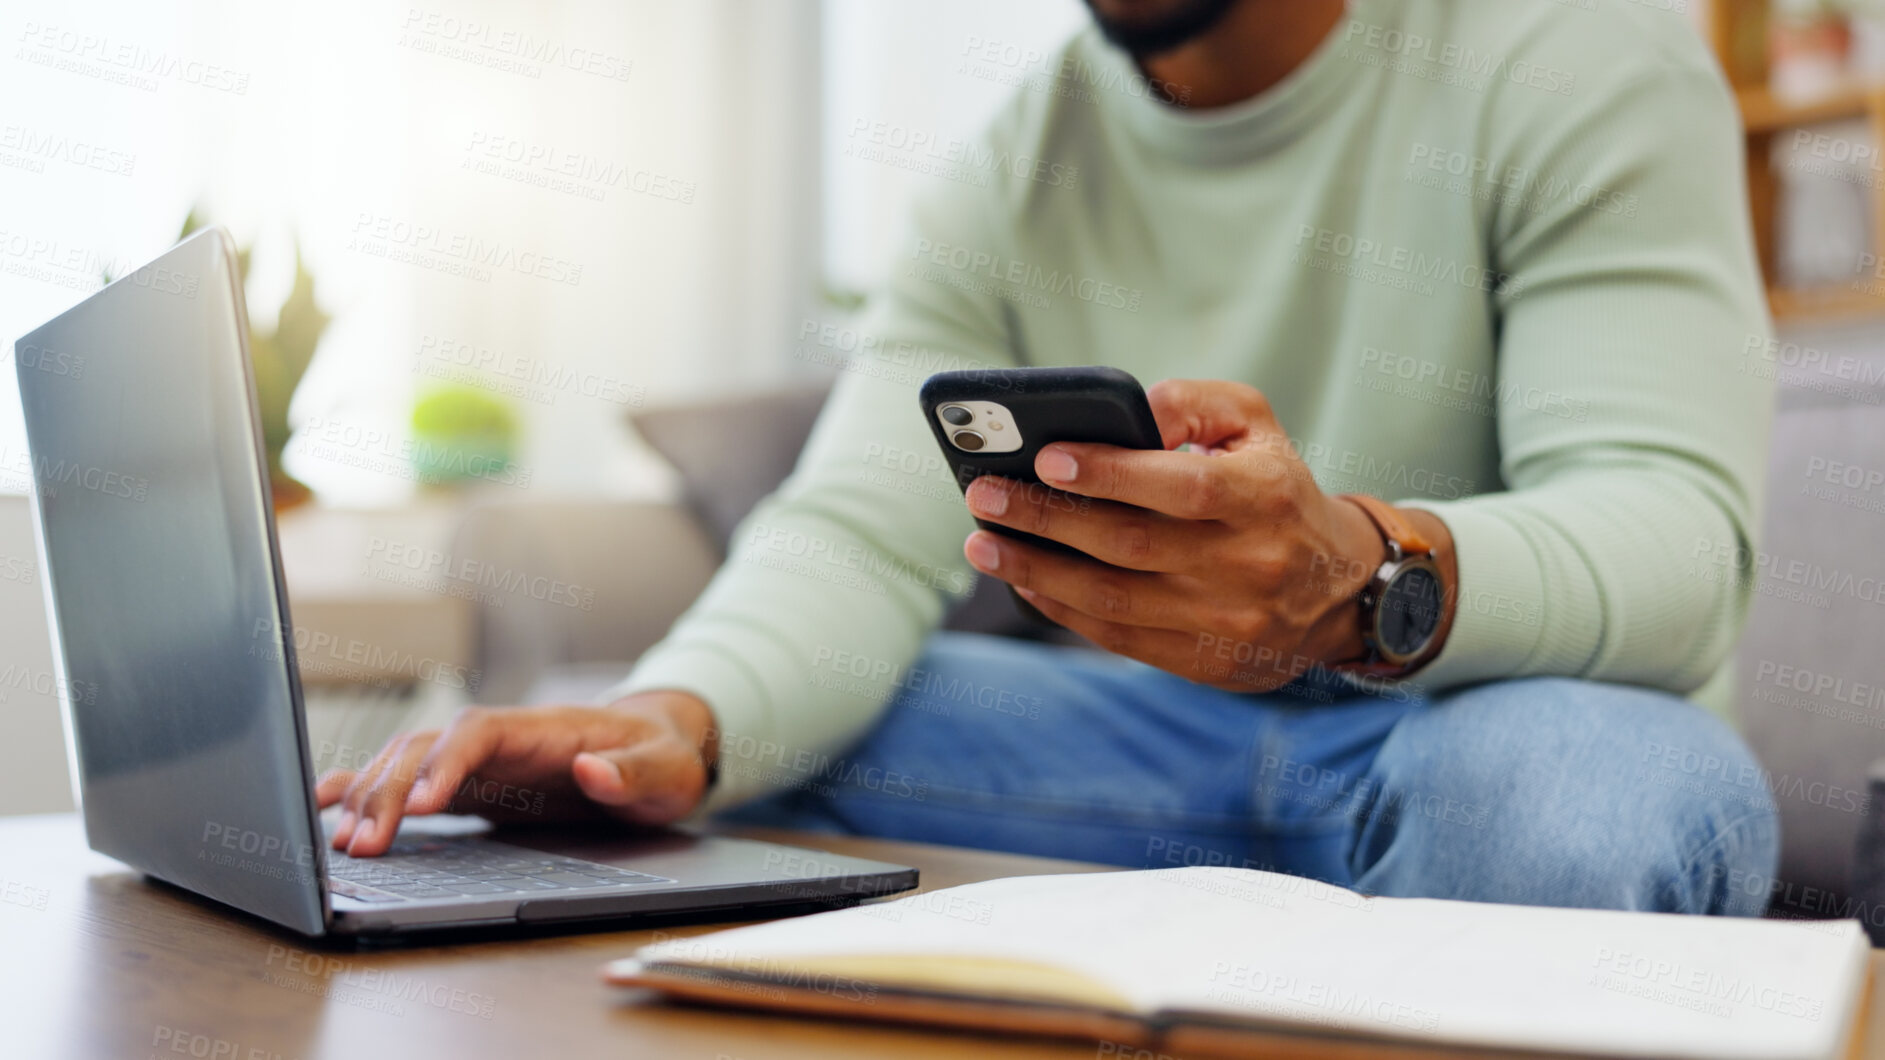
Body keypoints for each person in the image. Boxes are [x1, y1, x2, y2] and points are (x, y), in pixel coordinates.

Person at [321, 0, 1780, 914]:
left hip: (1486, 738)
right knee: (650, 757)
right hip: (1141, 748)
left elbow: (1674, 538)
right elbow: (847, 533)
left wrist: (1360, 577)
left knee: (1585, 807)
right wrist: (677, 722)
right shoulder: (1007, 170)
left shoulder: (1578, 50)